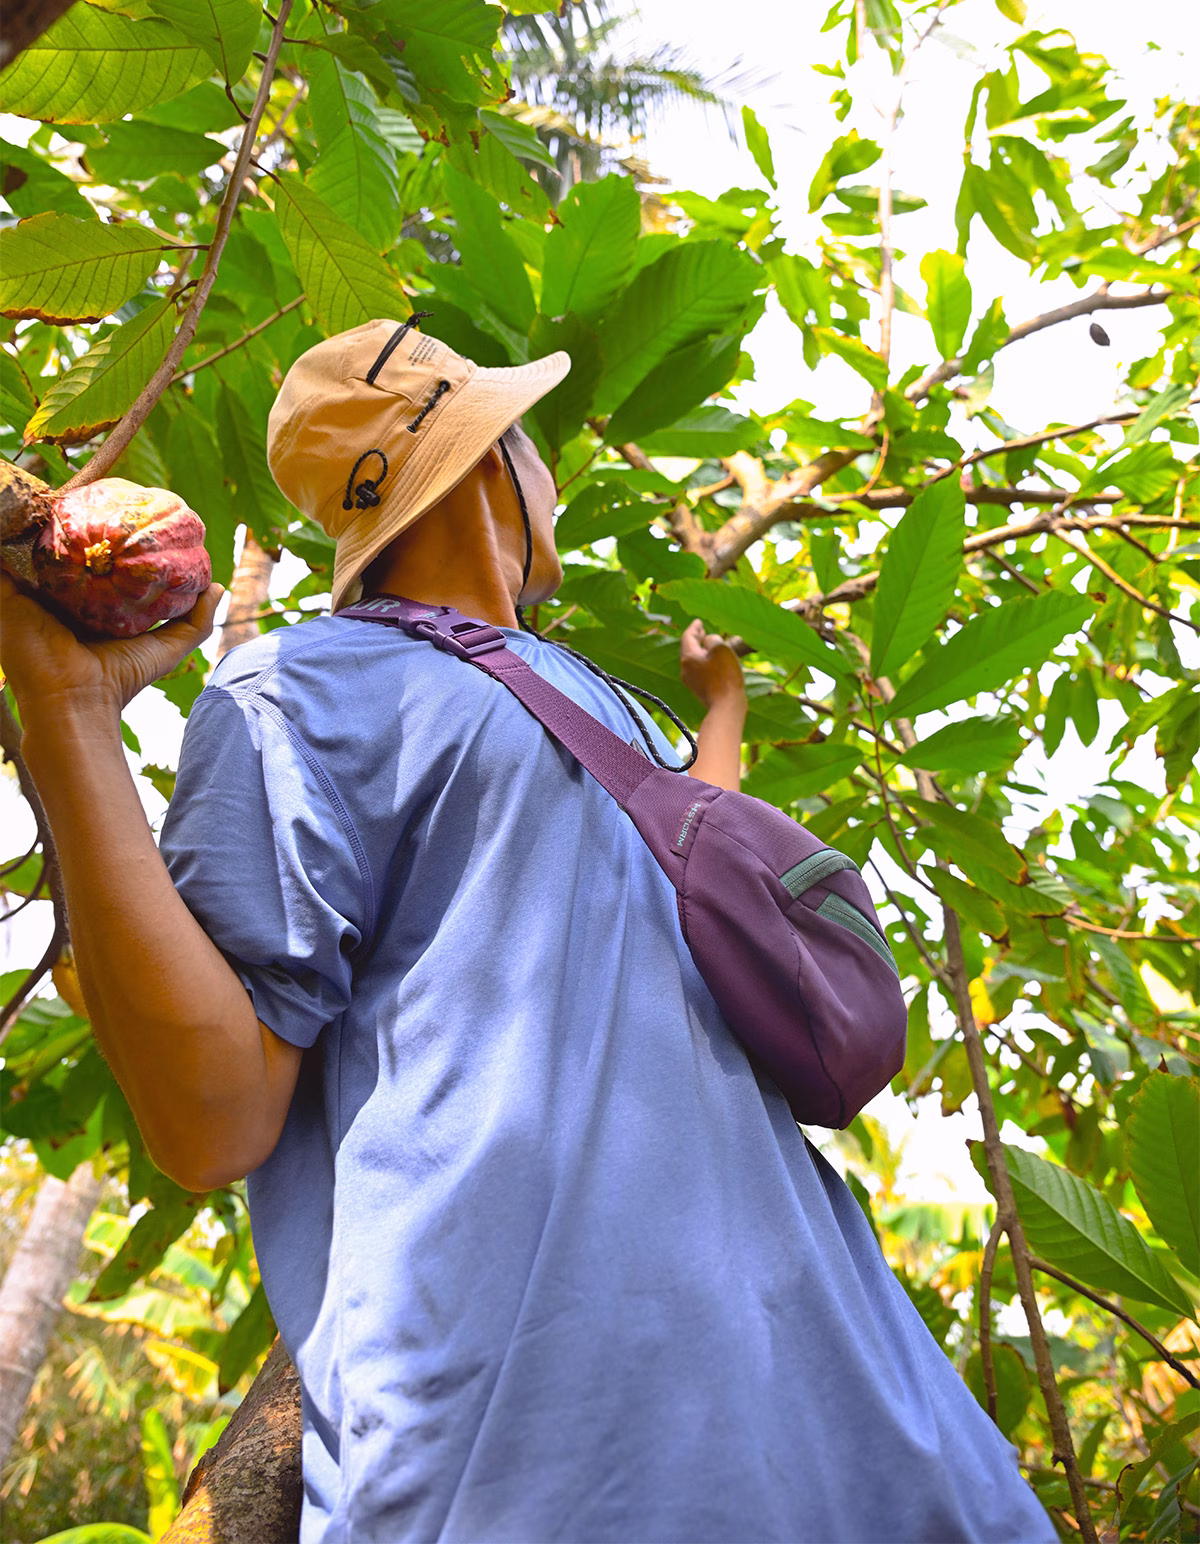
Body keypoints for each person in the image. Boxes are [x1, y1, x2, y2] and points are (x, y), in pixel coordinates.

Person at [1, 318, 1055, 1544]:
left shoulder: (594, 712)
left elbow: (689, 851)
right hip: (802, 1431)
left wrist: (719, 707)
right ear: (497, 457)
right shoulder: (296, 687)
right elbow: (213, 1117)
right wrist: (69, 705)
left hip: (614, 1444)